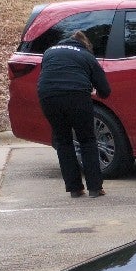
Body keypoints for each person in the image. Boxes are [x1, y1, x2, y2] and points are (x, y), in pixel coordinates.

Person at [36, 30, 112, 199]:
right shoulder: (86, 56)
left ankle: (74, 189)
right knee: (87, 139)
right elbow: (105, 90)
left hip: (48, 97)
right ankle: (95, 188)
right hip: (76, 96)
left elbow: (49, 74)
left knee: (63, 141)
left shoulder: (49, 52)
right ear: (86, 45)